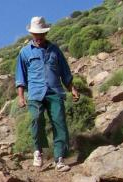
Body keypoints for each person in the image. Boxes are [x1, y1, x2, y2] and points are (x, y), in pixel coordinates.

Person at [15, 16, 80, 172]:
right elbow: (20, 76)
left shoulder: (55, 50)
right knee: (36, 120)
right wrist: (21, 96)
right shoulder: (24, 53)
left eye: (41, 33)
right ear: (32, 34)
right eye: (36, 34)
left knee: (60, 123)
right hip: (36, 93)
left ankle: (60, 158)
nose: (39, 37)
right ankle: (38, 151)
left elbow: (65, 71)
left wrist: (72, 88)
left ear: (45, 33)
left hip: (54, 91)